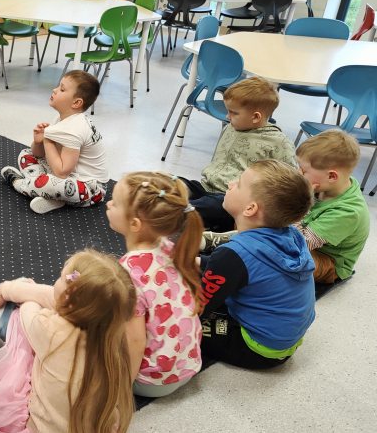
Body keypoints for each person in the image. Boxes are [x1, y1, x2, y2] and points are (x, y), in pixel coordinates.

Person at [0, 250, 136, 433]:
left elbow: (29, 306)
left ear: (69, 297)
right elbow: (58, 299)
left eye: (60, 276)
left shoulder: (51, 330)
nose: (56, 280)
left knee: (15, 320)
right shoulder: (111, 335)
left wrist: (13, 287)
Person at [199, 160, 315, 370]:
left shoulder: (231, 256)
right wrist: (197, 262)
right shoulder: (292, 234)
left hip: (257, 349)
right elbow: (243, 269)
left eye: (239, 184)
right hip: (285, 337)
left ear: (250, 208)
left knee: (171, 323)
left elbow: (198, 307)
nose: (230, 183)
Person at [105, 172, 204, 397]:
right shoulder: (168, 247)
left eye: (115, 203)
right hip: (188, 366)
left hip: (151, 382)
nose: (108, 204)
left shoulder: (128, 271)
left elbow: (135, 339)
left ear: (135, 224)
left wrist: (122, 387)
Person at [179, 76, 296, 232]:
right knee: (176, 183)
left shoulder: (278, 142)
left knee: (209, 207)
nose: (227, 116)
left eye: (233, 113)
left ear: (256, 117)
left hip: (231, 201)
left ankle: (171, 214)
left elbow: (292, 181)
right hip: (205, 186)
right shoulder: (231, 127)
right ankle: (162, 203)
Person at [1, 70, 108, 214]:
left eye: (62, 89)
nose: (54, 90)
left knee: (54, 184)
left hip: (90, 188)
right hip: (68, 174)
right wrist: (38, 142)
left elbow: (61, 172)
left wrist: (48, 140)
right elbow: (38, 154)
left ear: (76, 103)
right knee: (26, 154)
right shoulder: (62, 119)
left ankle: (19, 183)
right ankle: (50, 195)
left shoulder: (75, 129)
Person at [294, 129, 370, 285]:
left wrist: (299, 199)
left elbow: (299, 244)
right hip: (307, 240)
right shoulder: (329, 185)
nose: (297, 173)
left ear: (331, 176)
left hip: (328, 261)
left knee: (281, 256)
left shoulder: (348, 212)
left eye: (303, 171)